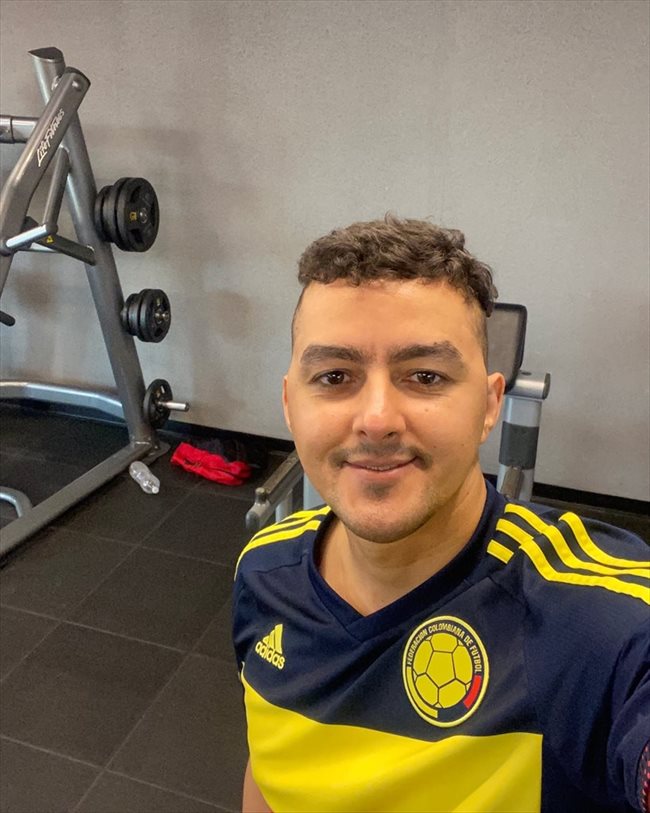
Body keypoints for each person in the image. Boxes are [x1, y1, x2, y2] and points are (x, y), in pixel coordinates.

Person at [232, 215, 649, 813]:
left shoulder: (584, 620)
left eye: (425, 376)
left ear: (489, 404)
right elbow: (272, 767)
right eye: (335, 376)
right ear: (290, 405)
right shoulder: (263, 569)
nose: (377, 419)